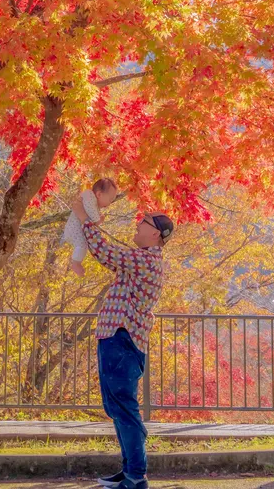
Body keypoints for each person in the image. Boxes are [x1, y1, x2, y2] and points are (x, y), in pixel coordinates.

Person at [71, 198, 174, 489]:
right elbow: (107, 256)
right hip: (115, 337)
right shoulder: (138, 260)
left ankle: (136, 476)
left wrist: (84, 218)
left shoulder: (146, 260)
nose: (138, 223)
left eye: (144, 221)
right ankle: (129, 470)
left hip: (122, 337)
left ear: (155, 234)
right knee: (116, 406)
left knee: (124, 407)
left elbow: (104, 251)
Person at [61, 178, 118, 276]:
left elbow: (90, 222)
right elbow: (91, 214)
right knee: (82, 244)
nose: (109, 203)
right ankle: (75, 263)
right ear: (99, 194)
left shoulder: (94, 202)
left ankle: (77, 262)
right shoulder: (89, 195)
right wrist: (98, 220)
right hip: (74, 229)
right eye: (110, 199)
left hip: (76, 230)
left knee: (84, 244)